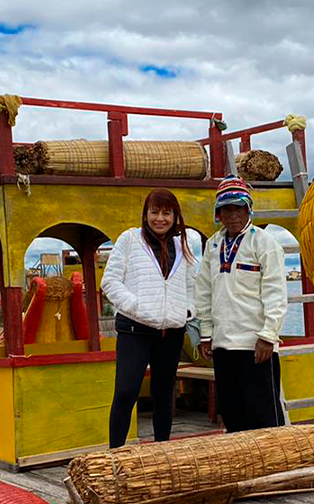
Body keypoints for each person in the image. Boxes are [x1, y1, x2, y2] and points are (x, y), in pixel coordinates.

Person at [101, 188, 194, 448]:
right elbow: (109, 282)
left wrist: (187, 311)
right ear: (146, 214)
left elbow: (192, 285)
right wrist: (135, 306)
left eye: (167, 213)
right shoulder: (130, 240)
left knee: (164, 394)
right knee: (126, 392)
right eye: (155, 212)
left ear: (175, 216)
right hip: (135, 329)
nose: (160, 219)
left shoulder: (182, 244)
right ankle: (115, 454)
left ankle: (161, 451)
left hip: (171, 332)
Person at [197, 175, 288, 432]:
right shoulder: (213, 244)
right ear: (219, 213)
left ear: (248, 209)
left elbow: (275, 292)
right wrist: (206, 333)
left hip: (256, 345)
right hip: (223, 344)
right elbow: (204, 289)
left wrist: (268, 336)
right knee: (233, 415)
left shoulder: (264, 242)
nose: (233, 214)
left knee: (264, 416)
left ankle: (275, 468)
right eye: (227, 209)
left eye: (238, 208)